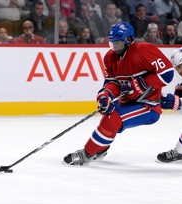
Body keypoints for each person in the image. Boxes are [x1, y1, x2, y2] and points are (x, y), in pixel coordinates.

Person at [63, 22, 174, 166]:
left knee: (112, 118)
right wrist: (106, 95)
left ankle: (87, 154)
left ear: (128, 40)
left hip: (148, 104)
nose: (114, 48)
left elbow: (167, 73)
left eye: (118, 44)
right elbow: (112, 82)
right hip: (127, 101)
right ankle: (100, 149)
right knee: (108, 114)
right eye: (112, 44)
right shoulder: (110, 57)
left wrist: (141, 84)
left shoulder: (145, 49)